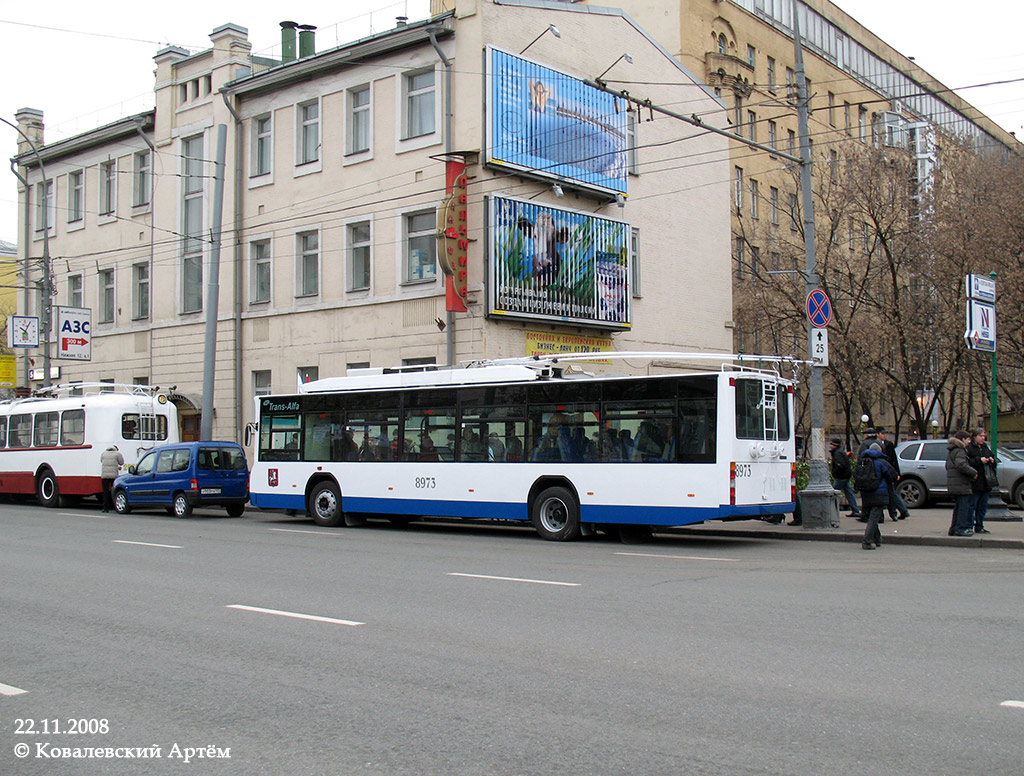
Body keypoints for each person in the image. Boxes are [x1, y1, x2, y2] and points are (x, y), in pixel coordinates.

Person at [859, 442, 897, 550]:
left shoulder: (862, 461)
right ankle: (867, 541)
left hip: (865, 493)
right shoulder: (881, 462)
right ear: (879, 451)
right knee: (874, 517)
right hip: (879, 493)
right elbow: (892, 475)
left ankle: (877, 539)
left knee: (872, 516)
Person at [945, 430, 978, 537]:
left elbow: (948, 466)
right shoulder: (960, 450)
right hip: (962, 483)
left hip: (955, 482)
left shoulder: (952, 450)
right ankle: (960, 529)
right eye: (968, 439)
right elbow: (961, 465)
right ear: (963, 439)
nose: (969, 442)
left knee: (958, 507)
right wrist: (973, 473)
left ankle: (954, 528)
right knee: (963, 507)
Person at [965, 428, 995, 534]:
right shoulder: (969, 448)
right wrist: (979, 460)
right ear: (974, 437)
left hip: (986, 482)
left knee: (982, 507)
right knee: (971, 505)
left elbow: (992, 457)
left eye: (984, 436)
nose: (983, 438)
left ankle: (979, 525)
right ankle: (969, 525)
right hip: (975, 481)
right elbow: (967, 463)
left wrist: (991, 460)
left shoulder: (985, 447)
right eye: (980, 436)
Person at [876, 427, 910, 520]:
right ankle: (900, 511)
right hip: (881, 472)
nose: (884, 435)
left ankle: (899, 511)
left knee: (891, 493)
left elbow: (894, 460)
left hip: (888, 472)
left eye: (884, 433)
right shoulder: (875, 444)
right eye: (882, 433)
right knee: (891, 493)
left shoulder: (889, 444)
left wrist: (897, 473)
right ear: (877, 434)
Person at [829, 437, 861, 518]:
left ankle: (831, 511)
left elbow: (840, 465)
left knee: (833, 493)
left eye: (831, 444)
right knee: (849, 492)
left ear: (835, 445)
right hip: (845, 475)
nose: (830, 445)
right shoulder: (840, 452)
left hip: (841, 477)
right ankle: (855, 510)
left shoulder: (837, 453)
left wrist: (835, 473)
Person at [100, 444, 125, 512]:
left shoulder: (103, 453)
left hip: (104, 476)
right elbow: (121, 463)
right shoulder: (117, 454)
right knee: (114, 491)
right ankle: (114, 506)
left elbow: (101, 461)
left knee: (105, 492)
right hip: (113, 475)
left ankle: (105, 508)